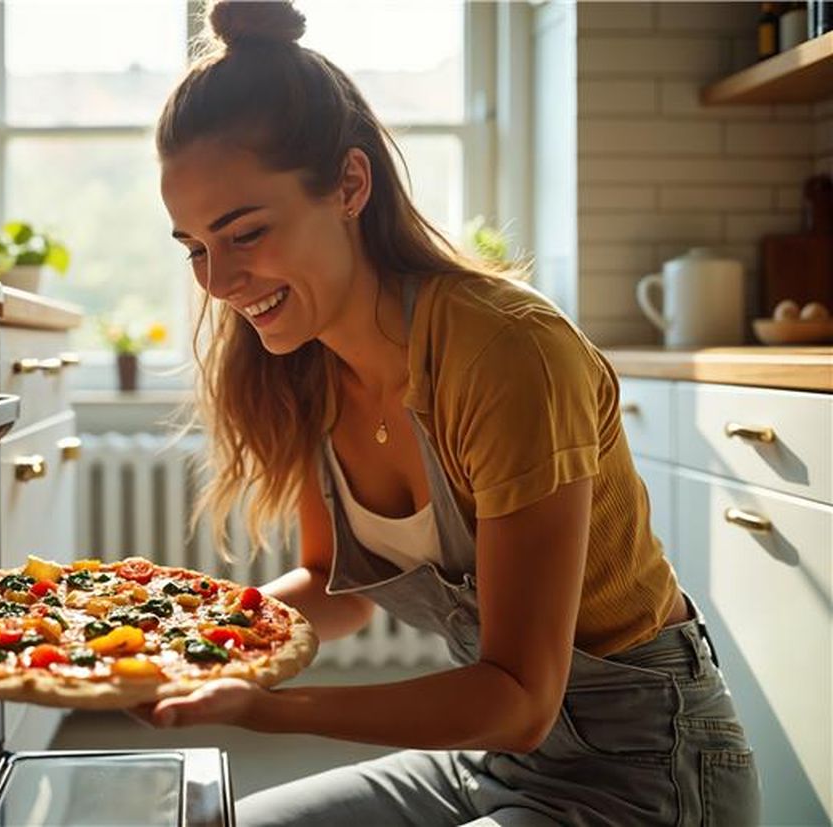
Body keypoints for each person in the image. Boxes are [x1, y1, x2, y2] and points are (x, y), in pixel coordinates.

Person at [142, 2, 761, 825]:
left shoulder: (506, 352)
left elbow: (519, 693)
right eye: (194, 249)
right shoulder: (309, 364)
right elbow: (340, 587)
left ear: (351, 185)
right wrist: (209, 634)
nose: (217, 282)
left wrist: (268, 707)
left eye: (245, 233)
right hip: (494, 757)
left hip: (650, 768)